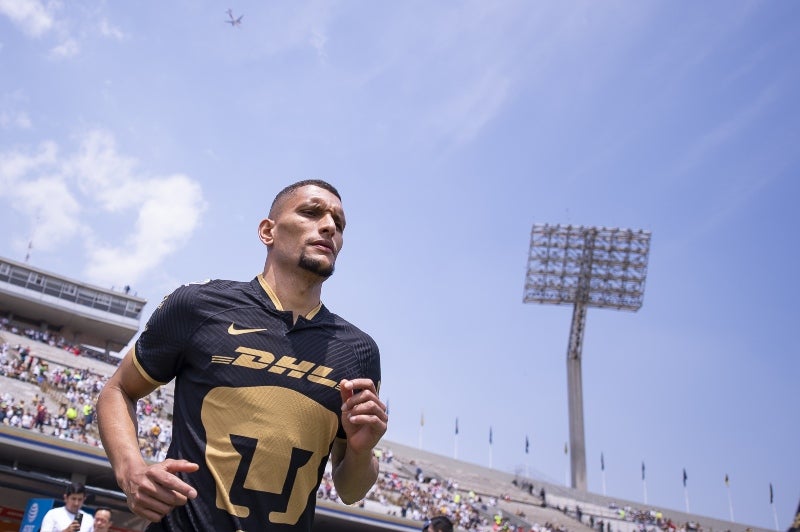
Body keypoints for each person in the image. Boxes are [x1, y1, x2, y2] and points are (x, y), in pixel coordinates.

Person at [97, 179, 387, 531]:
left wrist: (361, 451)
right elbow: (117, 390)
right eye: (311, 213)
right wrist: (131, 470)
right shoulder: (198, 305)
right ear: (268, 231)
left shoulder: (359, 351)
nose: (329, 227)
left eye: (338, 225)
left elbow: (350, 490)